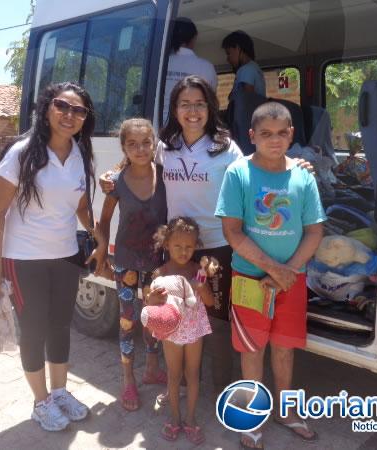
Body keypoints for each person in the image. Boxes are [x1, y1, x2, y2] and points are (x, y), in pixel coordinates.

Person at [102, 75, 242, 394]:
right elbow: (135, 160)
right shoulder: (166, 147)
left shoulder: (225, 147)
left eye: (199, 104)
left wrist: (294, 164)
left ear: (210, 107)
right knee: (174, 312)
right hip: (175, 247)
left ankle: (220, 386)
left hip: (215, 248)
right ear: (175, 110)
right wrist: (108, 175)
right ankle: (177, 378)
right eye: (184, 104)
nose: (192, 111)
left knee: (216, 319)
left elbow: (248, 178)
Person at [0, 82, 98, 432]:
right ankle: (40, 401)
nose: (70, 115)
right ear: (46, 108)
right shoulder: (22, 154)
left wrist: (98, 235)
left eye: (79, 111)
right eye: (62, 106)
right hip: (24, 258)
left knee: (61, 326)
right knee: (33, 330)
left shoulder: (80, 153)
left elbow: (78, 204)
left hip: (65, 256)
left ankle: (60, 392)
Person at [215, 102, 326, 448]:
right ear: (252, 137)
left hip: (292, 282)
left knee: (284, 349)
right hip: (250, 280)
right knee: (252, 351)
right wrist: (274, 270)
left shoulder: (303, 175)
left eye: (282, 133)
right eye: (266, 134)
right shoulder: (238, 173)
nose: (275, 140)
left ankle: (286, 410)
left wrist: (287, 273)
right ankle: (252, 416)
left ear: (291, 134)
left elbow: (314, 231)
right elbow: (233, 232)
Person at [89, 118, 168, 412]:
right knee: (127, 322)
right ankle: (128, 380)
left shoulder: (164, 176)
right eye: (132, 144)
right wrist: (101, 250)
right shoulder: (116, 183)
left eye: (146, 143)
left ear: (154, 144)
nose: (140, 149)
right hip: (126, 263)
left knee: (155, 319)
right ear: (123, 147)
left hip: (156, 263)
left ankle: (151, 369)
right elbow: (104, 221)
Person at [147, 217, 214, 444]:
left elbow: (210, 302)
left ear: (196, 246)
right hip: (172, 332)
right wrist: (153, 299)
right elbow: (151, 304)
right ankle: (175, 418)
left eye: (189, 246)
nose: (184, 251)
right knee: (174, 376)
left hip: (194, 329)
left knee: (193, 375)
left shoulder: (198, 271)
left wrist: (202, 286)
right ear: (167, 245)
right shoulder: (160, 273)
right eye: (178, 246)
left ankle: (191, 419)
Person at [163, 17, 217, 125]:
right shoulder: (207, 67)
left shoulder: (161, 64)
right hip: (193, 126)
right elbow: (211, 101)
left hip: (161, 127)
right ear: (194, 38)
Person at [221, 30, 266, 100]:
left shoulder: (246, 70)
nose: (227, 59)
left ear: (238, 48)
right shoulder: (254, 67)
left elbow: (248, 99)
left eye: (228, 53)